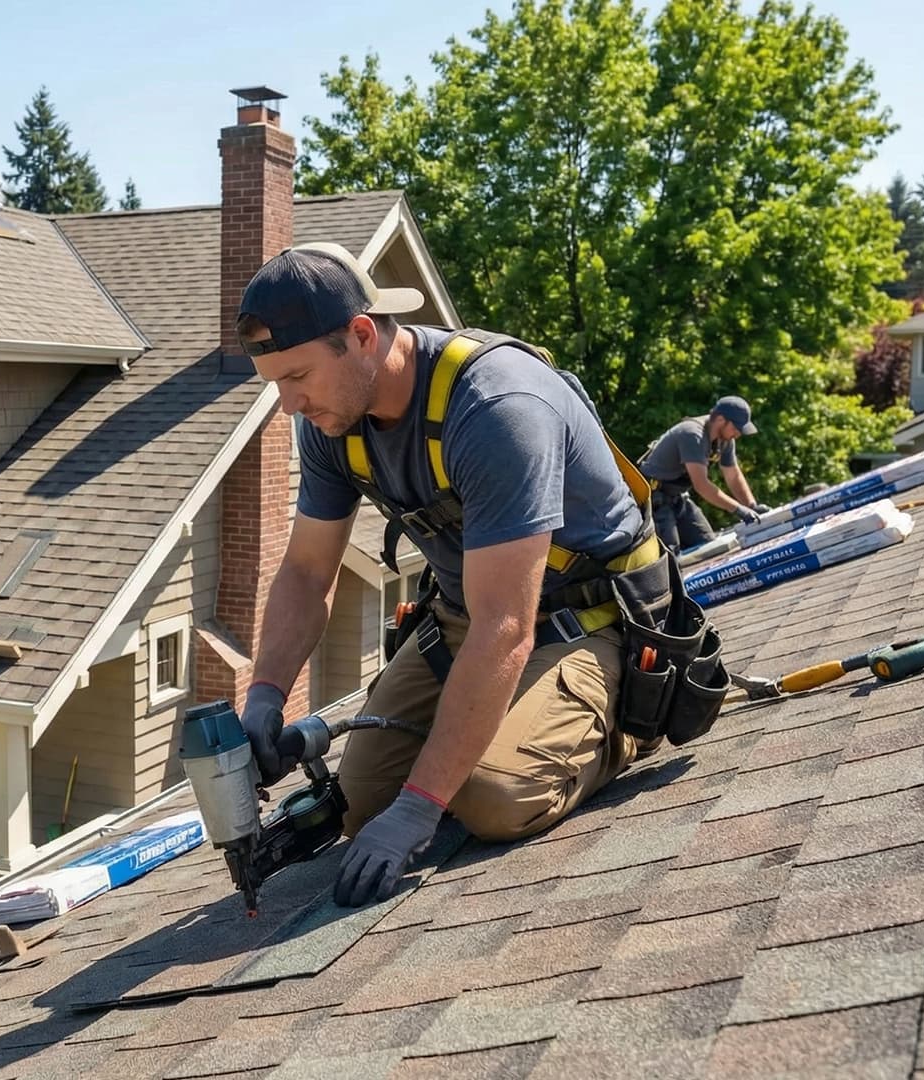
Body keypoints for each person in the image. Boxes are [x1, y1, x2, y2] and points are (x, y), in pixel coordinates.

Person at [232, 242, 672, 908]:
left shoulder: (496, 409)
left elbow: (505, 627)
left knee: (490, 797)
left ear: (360, 336)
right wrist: (265, 693)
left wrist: (419, 808)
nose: (289, 405)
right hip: (467, 617)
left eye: (297, 377)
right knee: (358, 808)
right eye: (275, 385)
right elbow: (305, 570)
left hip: (592, 621)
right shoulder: (331, 421)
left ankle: (630, 723)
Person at [637, 398, 770, 552]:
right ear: (721, 420)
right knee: (670, 555)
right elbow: (701, 485)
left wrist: (751, 506)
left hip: (677, 497)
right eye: (736, 428)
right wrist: (738, 510)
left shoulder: (725, 440)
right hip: (654, 500)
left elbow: (733, 475)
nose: (738, 434)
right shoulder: (692, 434)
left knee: (708, 545)